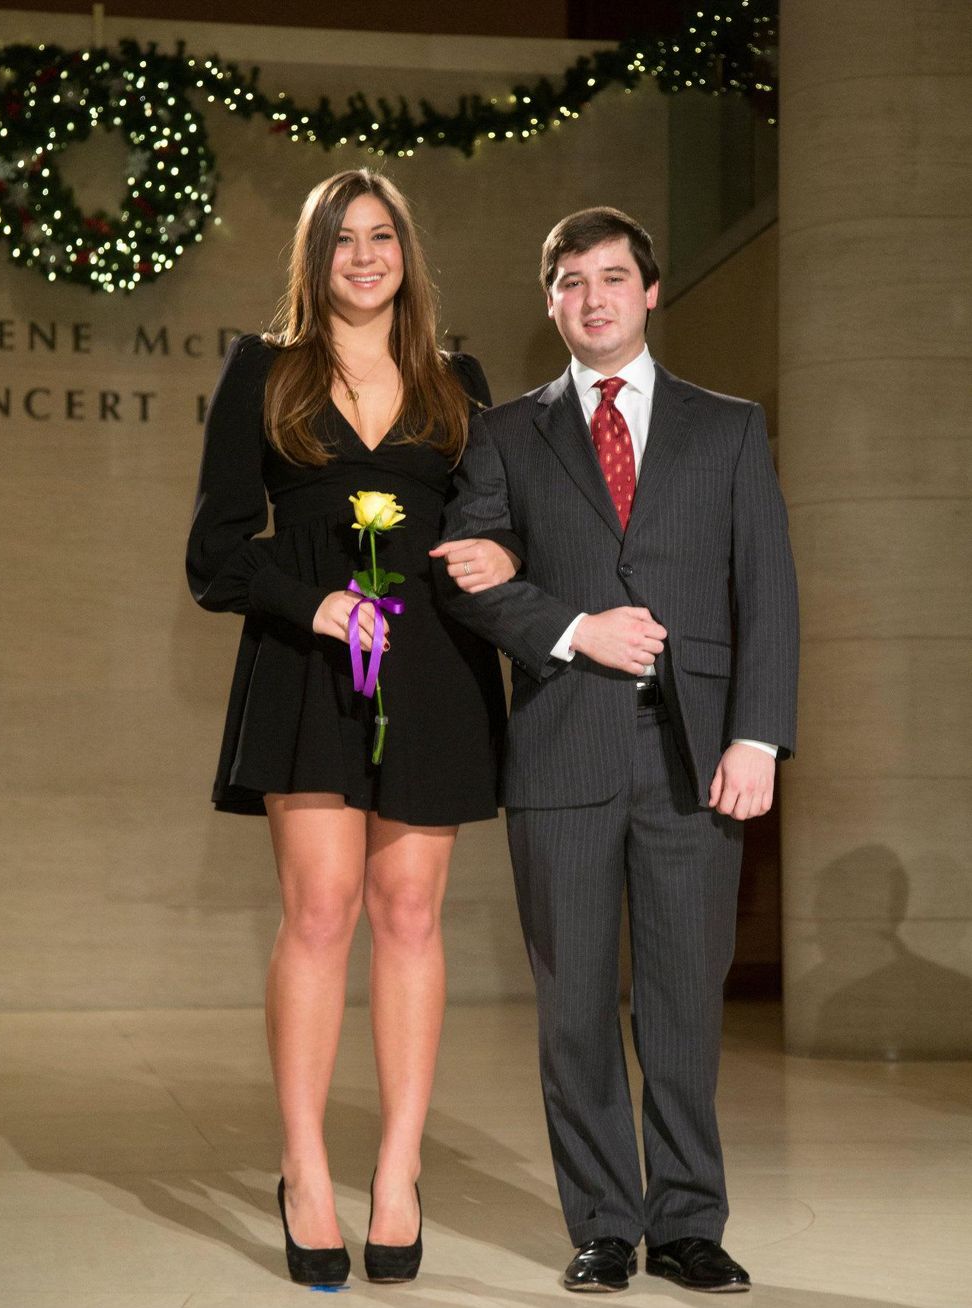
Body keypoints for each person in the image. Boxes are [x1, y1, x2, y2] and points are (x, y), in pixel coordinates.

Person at [431, 206, 799, 1295]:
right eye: (569, 282)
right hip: (560, 749)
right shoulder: (501, 435)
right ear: (549, 302)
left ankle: (687, 1223)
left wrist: (757, 734)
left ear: (648, 292)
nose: (591, 297)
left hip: (696, 755)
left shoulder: (726, 426)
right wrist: (570, 628)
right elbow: (468, 575)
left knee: (684, 999)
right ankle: (601, 1223)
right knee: (575, 1003)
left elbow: (764, 589)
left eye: (610, 277)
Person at [186, 169, 519, 1288]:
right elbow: (215, 551)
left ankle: (396, 1172)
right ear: (314, 255)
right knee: (321, 913)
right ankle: (304, 1170)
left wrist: (509, 557)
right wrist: (313, 601)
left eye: (382, 238)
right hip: (308, 659)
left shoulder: (456, 378)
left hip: (434, 664)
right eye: (343, 241)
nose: (365, 257)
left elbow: (497, 521)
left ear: (405, 254)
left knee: (410, 913)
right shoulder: (263, 370)